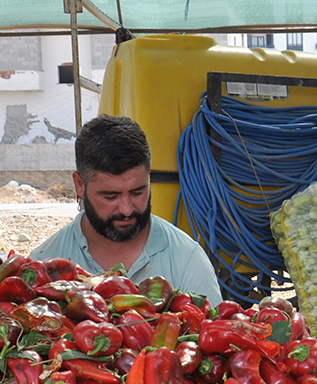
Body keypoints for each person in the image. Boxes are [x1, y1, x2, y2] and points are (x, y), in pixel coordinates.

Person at [30, 115, 223, 304]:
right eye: (110, 196)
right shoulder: (43, 265)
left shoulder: (187, 260)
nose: (127, 209)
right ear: (80, 185)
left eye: (137, 192)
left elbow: (218, 331)